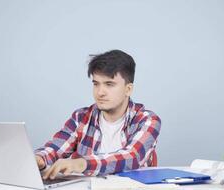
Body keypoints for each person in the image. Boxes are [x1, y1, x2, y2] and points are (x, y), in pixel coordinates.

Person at [35, 49, 161, 180]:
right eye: (96, 84)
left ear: (128, 89)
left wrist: (82, 163)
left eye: (109, 84)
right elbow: (55, 148)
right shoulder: (81, 117)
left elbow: (132, 157)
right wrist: (39, 159)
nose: (100, 92)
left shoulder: (148, 120)